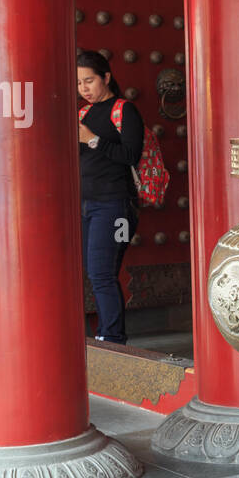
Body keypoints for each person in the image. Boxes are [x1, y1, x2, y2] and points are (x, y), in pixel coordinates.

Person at [77, 49, 144, 344]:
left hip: (114, 205)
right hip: (85, 204)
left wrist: (92, 139)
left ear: (106, 77)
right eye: (79, 84)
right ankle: (106, 334)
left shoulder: (123, 110)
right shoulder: (83, 113)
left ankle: (112, 338)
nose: (84, 89)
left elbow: (130, 154)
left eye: (89, 81)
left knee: (102, 273)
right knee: (97, 273)